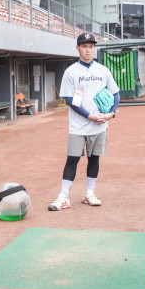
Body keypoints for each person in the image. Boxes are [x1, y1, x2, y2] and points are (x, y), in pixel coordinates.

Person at [48, 32, 119, 211]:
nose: (88, 50)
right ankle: (64, 196)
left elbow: (115, 93)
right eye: (84, 46)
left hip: (99, 124)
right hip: (78, 125)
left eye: (91, 46)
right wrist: (88, 115)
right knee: (72, 159)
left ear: (94, 48)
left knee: (94, 159)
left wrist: (111, 113)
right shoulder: (71, 72)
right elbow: (69, 99)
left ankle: (89, 193)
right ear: (77, 48)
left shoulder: (103, 70)